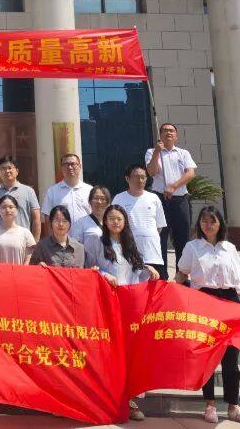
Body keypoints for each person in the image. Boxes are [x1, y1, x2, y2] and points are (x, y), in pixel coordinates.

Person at [176, 206, 240, 427]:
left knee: (231, 358)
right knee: (207, 357)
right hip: (204, 302)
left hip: (230, 303)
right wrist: (172, 293)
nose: (208, 225)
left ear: (220, 224)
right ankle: (209, 405)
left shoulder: (230, 248)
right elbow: (182, 273)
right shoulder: (192, 247)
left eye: (212, 221)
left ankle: (233, 406)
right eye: (204, 221)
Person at [85, 203, 157, 422]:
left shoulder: (130, 244)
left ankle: (129, 400)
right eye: (111, 219)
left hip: (129, 305)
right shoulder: (97, 242)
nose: (115, 222)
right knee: (108, 352)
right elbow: (89, 269)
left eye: (119, 219)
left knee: (128, 354)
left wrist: (148, 270)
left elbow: (137, 274)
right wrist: (104, 274)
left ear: (125, 222)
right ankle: (107, 399)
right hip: (106, 303)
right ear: (105, 222)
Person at [147, 122, 197, 274]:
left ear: (176, 136)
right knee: (160, 237)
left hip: (180, 199)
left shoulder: (183, 153)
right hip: (160, 199)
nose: (168, 133)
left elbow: (190, 173)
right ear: (160, 135)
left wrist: (174, 186)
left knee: (182, 237)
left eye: (171, 131)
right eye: (165, 130)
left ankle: (181, 274)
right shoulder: (151, 152)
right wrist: (157, 152)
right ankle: (161, 275)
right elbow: (152, 172)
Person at [112, 163, 168, 279]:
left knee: (155, 286)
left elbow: (159, 226)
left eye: (143, 177)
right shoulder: (119, 198)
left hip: (153, 254)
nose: (140, 180)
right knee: (132, 286)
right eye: (136, 177)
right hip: (129, 255)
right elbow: (113, 225)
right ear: (127, 179)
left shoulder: (154, 198)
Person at [41, 153, 93, 241]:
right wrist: (52, 243)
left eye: (73, 164)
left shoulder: (89, 190)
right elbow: (48, 219)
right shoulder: (52, 191)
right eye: (66, 164)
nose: (70, 167)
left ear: (80, 166)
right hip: (62, 243)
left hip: (87, 241)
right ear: (62, 168)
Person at [0, 156, 41, 239]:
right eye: (3, 168)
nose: (7, 171)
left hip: (23, 240)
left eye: (10, 168)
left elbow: (36, 219)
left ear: (17, 171)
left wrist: (35, 242)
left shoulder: (28, 191)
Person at [0, 194, 36, 264]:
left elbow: (28, 259)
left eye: (11, 207)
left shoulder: (25, 233)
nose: (7, 210)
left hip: (19, 270)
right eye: (3, 207)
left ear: (17, 210)